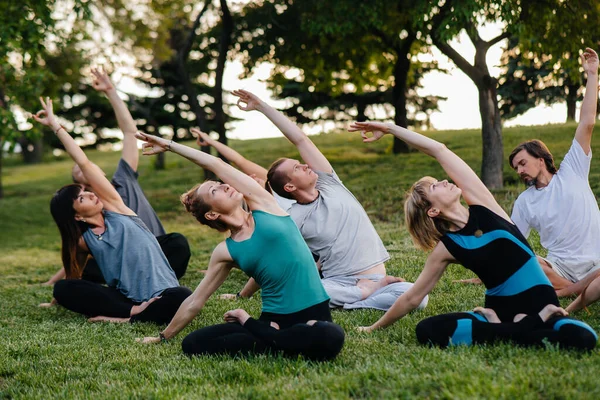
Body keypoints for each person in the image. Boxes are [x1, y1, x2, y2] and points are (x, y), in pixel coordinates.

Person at [348, 120, 597, 351]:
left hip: (540, 306)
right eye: (436, 186)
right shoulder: (448, 247)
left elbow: (440, 151)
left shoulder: (484, 205)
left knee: (585, 338)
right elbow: (413, 297)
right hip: (512, 312)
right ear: (433, 210)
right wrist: (373, 327)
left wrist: (391, 128)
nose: (444, 181)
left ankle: (500, 329)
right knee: (426, 330)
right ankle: (525, 328)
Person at [135, 131, 344, 361]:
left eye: (220, 184)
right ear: (212, 213)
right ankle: (276, 338)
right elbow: (196, 300)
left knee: (330, 336)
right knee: (193, 343)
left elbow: (216, 163)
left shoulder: (264, 204)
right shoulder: (226, 251)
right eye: (215, 191)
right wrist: (163, 336)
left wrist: (169, 145)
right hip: (274, 320)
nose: (225, 186)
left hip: (314, 315)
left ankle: (263, 332)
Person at [228, 89, 427, 312]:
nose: (305, 165)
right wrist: (243, 294)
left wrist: (262, 106)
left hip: (373, 276)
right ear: (290, 186)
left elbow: (300, 139)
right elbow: (273, 257)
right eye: (297, 168)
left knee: (419, 299)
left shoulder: (331, 186)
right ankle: (363, 295)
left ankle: (359, 298)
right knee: (297, 291)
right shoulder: (291, 218)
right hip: (336, 282)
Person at [33, 97, 191, 324]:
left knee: (183, 296)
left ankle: (123, 318)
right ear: (76, 215)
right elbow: (74, 274)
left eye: (86, 190)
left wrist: (56, 126)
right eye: (81, 197)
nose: (89, 193)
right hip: (127, 300)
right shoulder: (84, 241)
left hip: (164, 293)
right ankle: (135, 313)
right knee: (63, 288)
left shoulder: (117, 208)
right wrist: (57, 298)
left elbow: (84, 163)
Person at [43, 68, 190, 286]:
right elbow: (79, 252)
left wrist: (111, 92)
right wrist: (56, 282)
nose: (83, 170)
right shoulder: (88, 215)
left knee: (178, 243)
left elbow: (130, 133)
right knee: (88, 271)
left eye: (87, 169)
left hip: (156, 250)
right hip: (120, 264)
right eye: (78, 175)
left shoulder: (122, 181)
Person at [509, 48, 600, 312]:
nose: (519, 171)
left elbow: (587, 123)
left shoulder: (573, 167)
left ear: (540, 158)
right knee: (528, 262)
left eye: (522, 163)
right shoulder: (525, 202)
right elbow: (513, 245)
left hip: (597, 261)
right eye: (515, 168)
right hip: (559, 269)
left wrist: (592, 75)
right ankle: (577, 290)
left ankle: (570, 294)